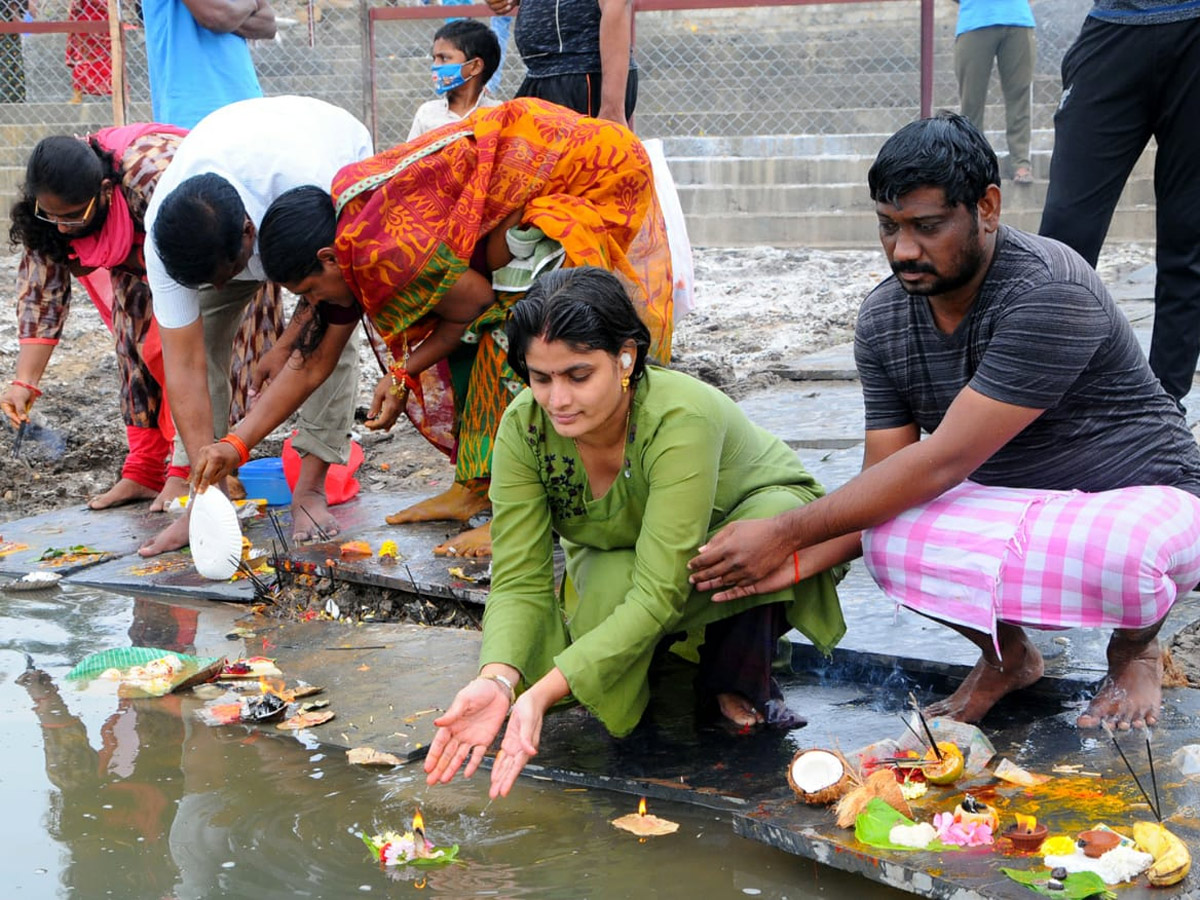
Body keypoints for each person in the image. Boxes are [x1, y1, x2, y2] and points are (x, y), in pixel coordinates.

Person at [688, 112, 1200, 732]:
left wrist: (784, 532)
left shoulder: (1049, 289)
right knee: (889, 539)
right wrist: (771, 567)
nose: (903, 250)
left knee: (1124, 553)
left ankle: (1135, 650)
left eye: (926, 227)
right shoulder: (883, 319)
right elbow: (879, 486)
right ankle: (1005, 655)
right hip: (1011, 503)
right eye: (888, 226)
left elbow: (944, 460)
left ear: (986, 207)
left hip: (1146, 496)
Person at [420, 267, 845, 797]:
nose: (558, 401)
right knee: (602, 600)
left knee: (728, 552)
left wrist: (543, 692)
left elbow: (660, 589)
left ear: (625, 358)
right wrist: (499, 680)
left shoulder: (679, 415)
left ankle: (738, 678)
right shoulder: (523, 428)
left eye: (578, 376)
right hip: (627, 542)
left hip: (751, 519)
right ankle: (661, 672)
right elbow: (518, 581)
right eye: (541, 378)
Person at [193, 98, 674, 559]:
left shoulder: (386, 252)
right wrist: (236, 443)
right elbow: (314, 361)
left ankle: (522, 513)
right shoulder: (346, 233)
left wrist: (403, 371)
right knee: (480, 341)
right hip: (536, 178)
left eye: (311, 292)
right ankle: (476, 489)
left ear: (328, 259)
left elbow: (475, 304)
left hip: (589, 173)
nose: (313, 305)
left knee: (523, 345)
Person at [3, 128, 298, 511]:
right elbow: (42, 293)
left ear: (106, 191)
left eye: (73, 216)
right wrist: (25, 382)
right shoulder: (48, 210)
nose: (61, 227)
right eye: (52, 215)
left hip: (211, 255)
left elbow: (213, 234)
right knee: (134, 342)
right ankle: (144, 469)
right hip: (138, 258)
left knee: (199, 351)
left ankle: (203, 467)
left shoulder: (154, 177)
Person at [140, 95, 371, 555]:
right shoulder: (166, 237)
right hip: (234, 202)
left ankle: (309, 488)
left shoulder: (308, 187)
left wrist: (289, 341)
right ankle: (210, 493)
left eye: (226, 277)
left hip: (319, 170)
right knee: (200, 338)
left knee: (332, 341)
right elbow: (185, 367)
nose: (225, 287)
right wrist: (203, 497)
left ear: (250, 234)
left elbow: (321, 336)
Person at [1039, 2, 1200, 407]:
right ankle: (1038, 395)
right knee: (1064, 235)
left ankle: (1163, 406)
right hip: (1115, 27)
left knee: (1189, 235)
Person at [484, 0, 636, 126]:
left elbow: (617, 5)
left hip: (582, 74)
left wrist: (612, 109)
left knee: (584, 157)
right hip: (541, 73)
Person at [141, 0, 275, 129]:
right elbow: (215, 16)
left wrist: (229, 16)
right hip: (193, 106)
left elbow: (268, 24)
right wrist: (250, 4)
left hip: (246, 101)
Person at [952, 0, 1035, 183]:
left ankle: (1021, 164)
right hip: (974, 20)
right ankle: (973, 164)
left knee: (1019, 96)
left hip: (1017, 18)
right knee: (971, 101)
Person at [408, 19, 502, 140]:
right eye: (434, 58)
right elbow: (410, 156)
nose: (435, 66)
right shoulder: (427, 113)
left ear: (475, 66)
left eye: (444, 58)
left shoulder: (498, 114)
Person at [66, 0, 112, 104]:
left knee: (108, 53)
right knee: (83, 54)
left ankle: (119, 93)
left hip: (105, 12)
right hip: (85, 12)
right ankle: (78, 94)